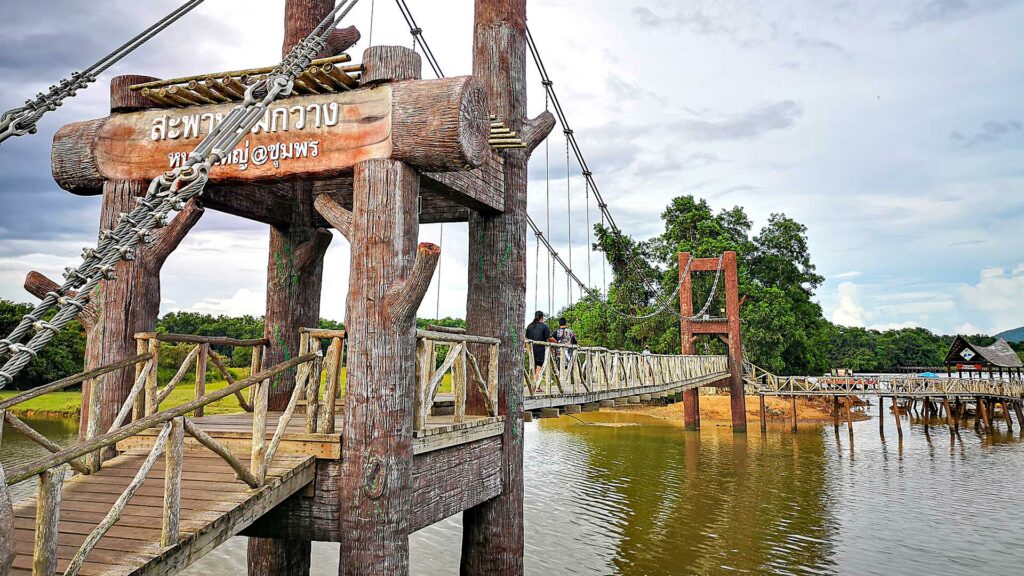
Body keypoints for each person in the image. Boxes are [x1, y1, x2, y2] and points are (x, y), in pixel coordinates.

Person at [525, 311, 554, 381]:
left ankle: (532, 386)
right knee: (539, 368)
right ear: (542, 317)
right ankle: (537, 387)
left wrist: (528, 351)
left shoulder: (529, 326)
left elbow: (526, 339)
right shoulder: (544, 326)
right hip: (540, 350)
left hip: (532, 350)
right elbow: (548, 340)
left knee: (532, 368)